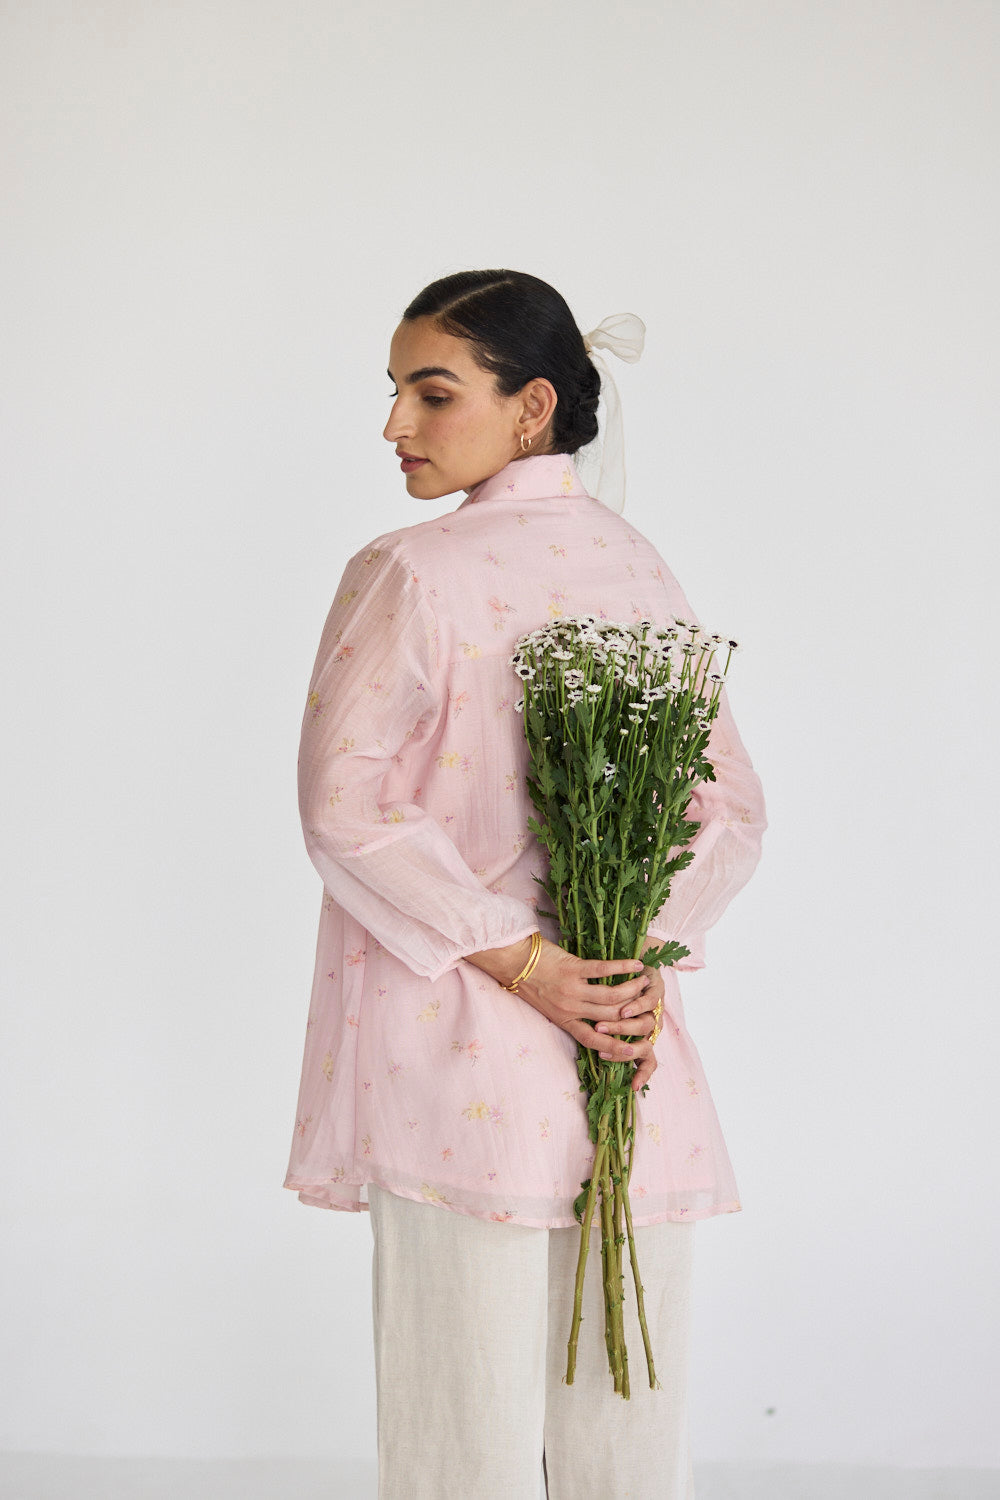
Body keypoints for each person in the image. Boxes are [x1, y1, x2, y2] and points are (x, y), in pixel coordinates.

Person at [284, 269, 766, 1499]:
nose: (394, 424)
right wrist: (631, 961)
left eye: (431, 393)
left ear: (532, 404)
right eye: (395, 392)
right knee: (625, 1433)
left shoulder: (408, 569)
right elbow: (729, 812)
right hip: (626, 1050)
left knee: (461, 1433)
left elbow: (345, 805)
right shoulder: (635, 566)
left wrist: (533, 964)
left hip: (459, 1048)